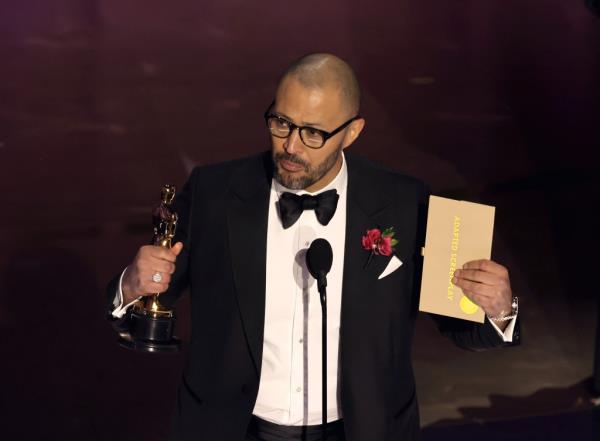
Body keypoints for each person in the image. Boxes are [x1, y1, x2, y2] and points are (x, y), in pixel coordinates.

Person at [107, 53, 520, 441]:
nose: (291, 146)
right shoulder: (214, 193)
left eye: (313, 133)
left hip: (359, 431)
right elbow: (151, 296)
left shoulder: (405, 203)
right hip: (234, 428)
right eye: (281, 123)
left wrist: (499, 310)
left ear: (352, 132)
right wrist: (131, 285)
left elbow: (463, 328)